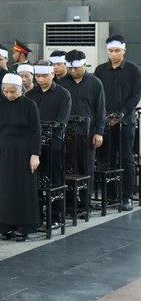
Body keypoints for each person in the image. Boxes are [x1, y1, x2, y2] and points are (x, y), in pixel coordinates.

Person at [0, 73, 41, 242]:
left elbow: (36, 131)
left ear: (21, 90)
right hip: (4, 150)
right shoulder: (0, 104)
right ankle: (5, 225)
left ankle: (23, 227)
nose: (9, 95)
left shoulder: (30, 105)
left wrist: (35, 155)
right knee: (5, 189)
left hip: (24, 151)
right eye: (6, 91)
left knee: (23, 189)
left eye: (13, 92)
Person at [94, 34, 141, 211]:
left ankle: (127, 196)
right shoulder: (100, 70)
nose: (113, 54)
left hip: (126, 121)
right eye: (110, 51)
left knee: (126, 159)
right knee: (108, 158)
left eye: (117, 51)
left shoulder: (133, 70)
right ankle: (111, 194)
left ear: (124, 51)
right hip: (105, 122)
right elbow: (98, 96)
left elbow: (135, 95)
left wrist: (121, 114)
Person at [26, 59, 72, 226]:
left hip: (54, 144)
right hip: (33, 146)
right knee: (33, 180)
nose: (40, 79)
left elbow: (61, 122)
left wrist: (44, 133)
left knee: (55, 180)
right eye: (37, 76)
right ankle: (36, 215)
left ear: (52, 74)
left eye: (44, 76)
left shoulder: (63, 94)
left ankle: (56, 216)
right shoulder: (30, 95)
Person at [58, 49, 105, 204]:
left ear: (84, 65)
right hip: (66, 133)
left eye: (76, 68)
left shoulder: (95, 83)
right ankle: (70, 201)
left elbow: (100, 110)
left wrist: (99, 132)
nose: (72, 71)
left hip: (87, 133)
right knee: (68, 167)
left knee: (86, 167)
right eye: (70, 68)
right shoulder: (63, 83)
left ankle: (86, 202)